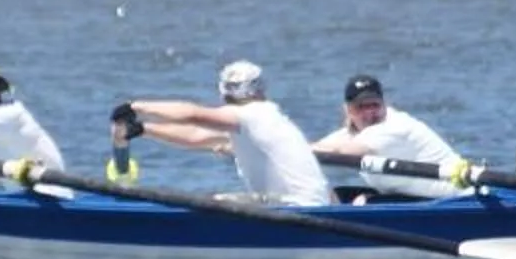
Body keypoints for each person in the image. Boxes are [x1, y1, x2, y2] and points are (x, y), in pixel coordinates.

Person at [111, 60, 334, 206]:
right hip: (302, 205)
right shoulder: (261, 120)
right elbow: (196, 136)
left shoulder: (252, 114)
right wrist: (143, 129)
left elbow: (193, 115)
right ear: (261, 89)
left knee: (212, 203)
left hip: (297, 208)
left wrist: (135, 107)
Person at [312, 73, 466, 200]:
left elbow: (340, 152)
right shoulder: (352, 134)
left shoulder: (395, 127)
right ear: (348, 111)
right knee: (336, 196)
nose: (369, 113)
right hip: (417, 199)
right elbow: (317, 149)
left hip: (459, 201)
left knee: (363, 202)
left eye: (375, 105)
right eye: (361, 107)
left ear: (384, 104)